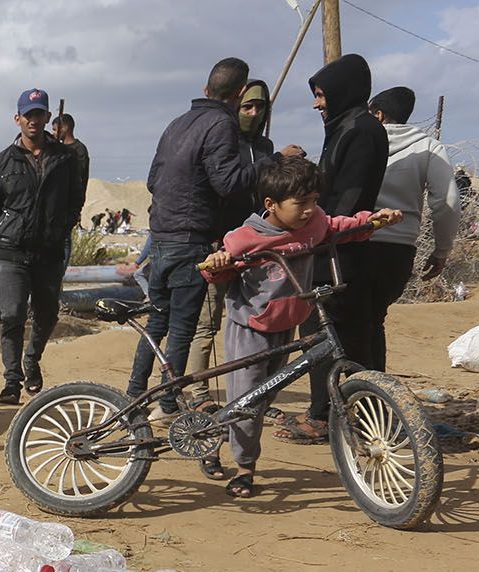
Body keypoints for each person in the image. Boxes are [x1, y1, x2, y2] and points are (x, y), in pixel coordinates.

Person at [198, 157, 401, 498]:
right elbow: (217, 270)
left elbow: (339, 227)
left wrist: (373, 220)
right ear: (271, 205)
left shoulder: (314, 223)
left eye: (314, 201)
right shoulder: (244, 238)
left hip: (287, 320)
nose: (310, 210)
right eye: (300, 204)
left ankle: (213, 435)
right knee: (248, 399)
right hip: (250, 324)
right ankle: (245, 468)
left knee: (263, 397)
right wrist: (217, 263)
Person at [130, 57, 261, 419]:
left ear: (206, 89)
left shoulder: (177, 124)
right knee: (183, 327)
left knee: (157, 320)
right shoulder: (221, 124)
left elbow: (153, 181)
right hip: (190, 241)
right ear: (238, 94)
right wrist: (268, 164)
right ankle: (168, 403)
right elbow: (228, 182)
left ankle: (133, 396)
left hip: (161, 236)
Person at [280, 53, 389, 444]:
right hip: (337, 246)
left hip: (338, 250)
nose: (316, 103)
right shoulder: (347, 126)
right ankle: (365, 413)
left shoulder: (359, 131)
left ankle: (329, 416)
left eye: (322, 94)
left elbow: (349, 197)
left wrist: (315, 232)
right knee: (348, 333)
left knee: (327, 333)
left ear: (343, 91)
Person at [0, 88, 84, 404]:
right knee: (12, 314)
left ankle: (32, 357)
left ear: (48, 117)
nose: (33, 120)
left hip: (49, 252)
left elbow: (76, 198)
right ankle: (12, 381)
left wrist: (61, 226)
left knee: (48, 314)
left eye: (39, 114)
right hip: (11, 251)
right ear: (18, 118)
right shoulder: (1, 162)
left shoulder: (66, 159)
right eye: (28, 114)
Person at [186, 77, 279, 413]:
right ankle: (199, 393)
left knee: (254, 321)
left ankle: (254, 394)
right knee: (207, 322)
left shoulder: (265, 148)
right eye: (247, 106)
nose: (253, 113)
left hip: (257, 248)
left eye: (260, 107)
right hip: (220, 244)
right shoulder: (223, 141)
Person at [355, 86, 458, 363]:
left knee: (350, 321)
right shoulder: (427, 147)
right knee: (375, 321)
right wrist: (441, 250)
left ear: (377, 114)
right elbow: (447, 201)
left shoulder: (358, 140)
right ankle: (372, 394)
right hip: (398, 249)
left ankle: (343, 393)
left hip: (354, 242)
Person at [53, 113, 91, 265]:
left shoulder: (78, 150)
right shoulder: (56, 148)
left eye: (56, 129)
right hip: (55, 203)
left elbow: (81, 178)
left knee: (65, 240)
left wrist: (76, 206)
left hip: (68, 204)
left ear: (65, 128)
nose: (54, 133)